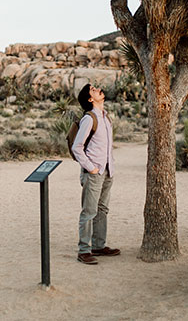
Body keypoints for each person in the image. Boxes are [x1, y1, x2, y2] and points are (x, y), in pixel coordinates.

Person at [71, 83, 120, 265]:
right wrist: (91, 168)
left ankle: (99, 246)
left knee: (102, 210)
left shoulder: (105, 117)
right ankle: (84, 250)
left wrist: (108, 167)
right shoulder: (89, 119)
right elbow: (77, 147)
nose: (99, 89)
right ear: (91, 99)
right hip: (94, 172)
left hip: (107, 171)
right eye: (94, 90)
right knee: (89, 212)